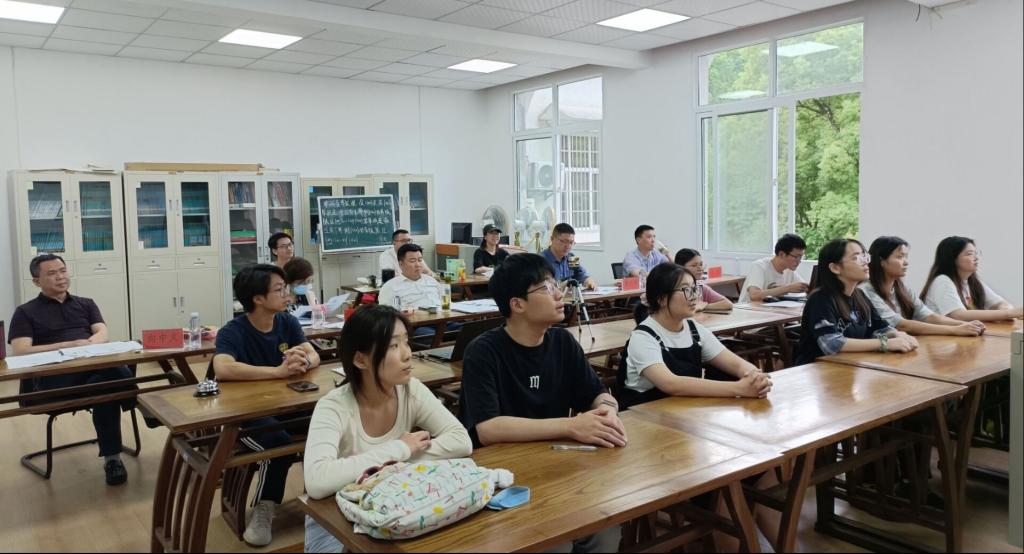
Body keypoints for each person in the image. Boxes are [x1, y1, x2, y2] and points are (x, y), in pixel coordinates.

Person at [459, 253, 623, 553]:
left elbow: (596, 392)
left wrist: (607, 410)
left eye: (556, 285)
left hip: (557, 465)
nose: (559, 294)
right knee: (555, 545)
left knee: (606, 528)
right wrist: (571, 426)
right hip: (504, 475)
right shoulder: (483, 352)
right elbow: (488, 429)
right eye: (546, 288)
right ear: (517, 304)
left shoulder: (562, 342)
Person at [302, 305, 472, 553]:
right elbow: (318, 481)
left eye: (406, 342)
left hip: (394, 507)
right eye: (393, 345)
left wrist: (391, 464)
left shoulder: (410, 390)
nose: (407, 354)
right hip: (334, 522)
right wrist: (400, 449)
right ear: (360, 359)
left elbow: (461, 441)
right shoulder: (333, 406)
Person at [213, 264, 321, 547]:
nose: (287, 295)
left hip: (286, 406)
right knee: (277, 444)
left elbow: (314, 354)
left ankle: (323, 495)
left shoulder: (287, 322)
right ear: (258, 298)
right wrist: (277, 372)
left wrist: (303, 361)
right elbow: (222, 368)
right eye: (279, 290)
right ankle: (265, 507)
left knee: (328, 422)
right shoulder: (233, 331)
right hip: (246, 415)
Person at [8, 254, 135, 486]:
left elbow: (102, 332)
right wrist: (68, 346)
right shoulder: (25, 311)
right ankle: (139, 404)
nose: (60, 277)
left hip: (90, 372)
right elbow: (21, 350)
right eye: (52, 273)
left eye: (63, 270)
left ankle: (112, 460)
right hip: (53, 383)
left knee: (103, 385)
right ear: (36, 281)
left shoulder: (86, 303)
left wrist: (88, 346)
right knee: (110, 378)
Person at [620, 263, 771, 409]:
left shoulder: (693, 329)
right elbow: (670, 384)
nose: (694, 296)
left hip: (684, 409)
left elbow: (735, 364)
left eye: (695, 289)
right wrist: (739, 388)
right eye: (686, 290)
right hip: (646, 414)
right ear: (662, 298)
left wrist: (755, 376)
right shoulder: (643, 337)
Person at [795, 239, 918, 365]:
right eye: (856, 258)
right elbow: (832, 344)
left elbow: (879, 327)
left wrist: (896, 334)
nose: (865, 262)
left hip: (850, 365)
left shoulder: (859, 295)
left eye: (864, 256)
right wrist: (884, 343)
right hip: (816, 369)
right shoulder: (820, 299)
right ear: (835, 268)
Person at [861, 237, 986, 336]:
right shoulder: (866, 290)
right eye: (899, 257)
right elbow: (901, 325)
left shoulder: (902, 289)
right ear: (881, 261)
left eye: (906, 257)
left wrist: (963, 324)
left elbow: (927, 316)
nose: (906, 262)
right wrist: (955, 330)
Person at [920, 236, 1023, 322]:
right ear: (952, 258)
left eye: (976, 253)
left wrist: (1005, 310)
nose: (976, 258)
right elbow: (958, 315)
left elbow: (1001, 303)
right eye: (970, 254)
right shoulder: (942, 281)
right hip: (941, 339)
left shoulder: (972, 281)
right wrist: (1008, 313)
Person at [739, 233, 809, 303]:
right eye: (796, 257)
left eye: (801, 257)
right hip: (748, 308)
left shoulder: (789, 270)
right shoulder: (759, 266)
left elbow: (805, 288)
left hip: (769, 308)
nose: (799, 261)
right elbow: (754, 295)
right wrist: (788, 288)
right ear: (781, 254)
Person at [542, 223, 596, 290]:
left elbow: (582, 275)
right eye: (564, 241)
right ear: (552, 239)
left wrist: (588, 281)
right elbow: (541, 288)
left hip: (571, 296)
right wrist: (560, 286)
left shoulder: (572, 258)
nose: (568, 246)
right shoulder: (540, 261)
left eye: (571, 242)